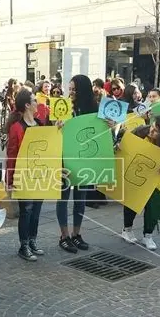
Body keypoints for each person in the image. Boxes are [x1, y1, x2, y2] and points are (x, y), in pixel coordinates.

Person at [121, 116, 160, 250]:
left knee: (153, 207)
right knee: (132, 203)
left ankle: (148, 235)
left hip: (159, 181)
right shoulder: (141, 131)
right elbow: (125, 144)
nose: (151, 130)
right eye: (152, 127)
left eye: (156, 131)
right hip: (137, 175)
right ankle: (127, 230)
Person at [56, 75, 98, 253]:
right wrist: (57, 125)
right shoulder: (62, 106)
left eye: (74, 89)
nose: (71, 92)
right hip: (65, 159)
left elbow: (100, 131)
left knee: (80, 198)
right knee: (63, 198)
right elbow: (50, 128)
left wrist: (109, 124)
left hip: (84, 159)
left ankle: (76, 234)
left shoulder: (92, 108)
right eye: (70, 89)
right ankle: (64, 236)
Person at [6, 88, 44, 261]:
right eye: (34, 100)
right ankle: (24, 245)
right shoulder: (16, 128)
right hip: (24, 176)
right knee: (26, 211)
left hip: (40, 175)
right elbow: (11, 155)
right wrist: (10, 179)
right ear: (27, 105)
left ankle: (32, 240)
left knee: (36, 211)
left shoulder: (41, 124)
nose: (38, 103)